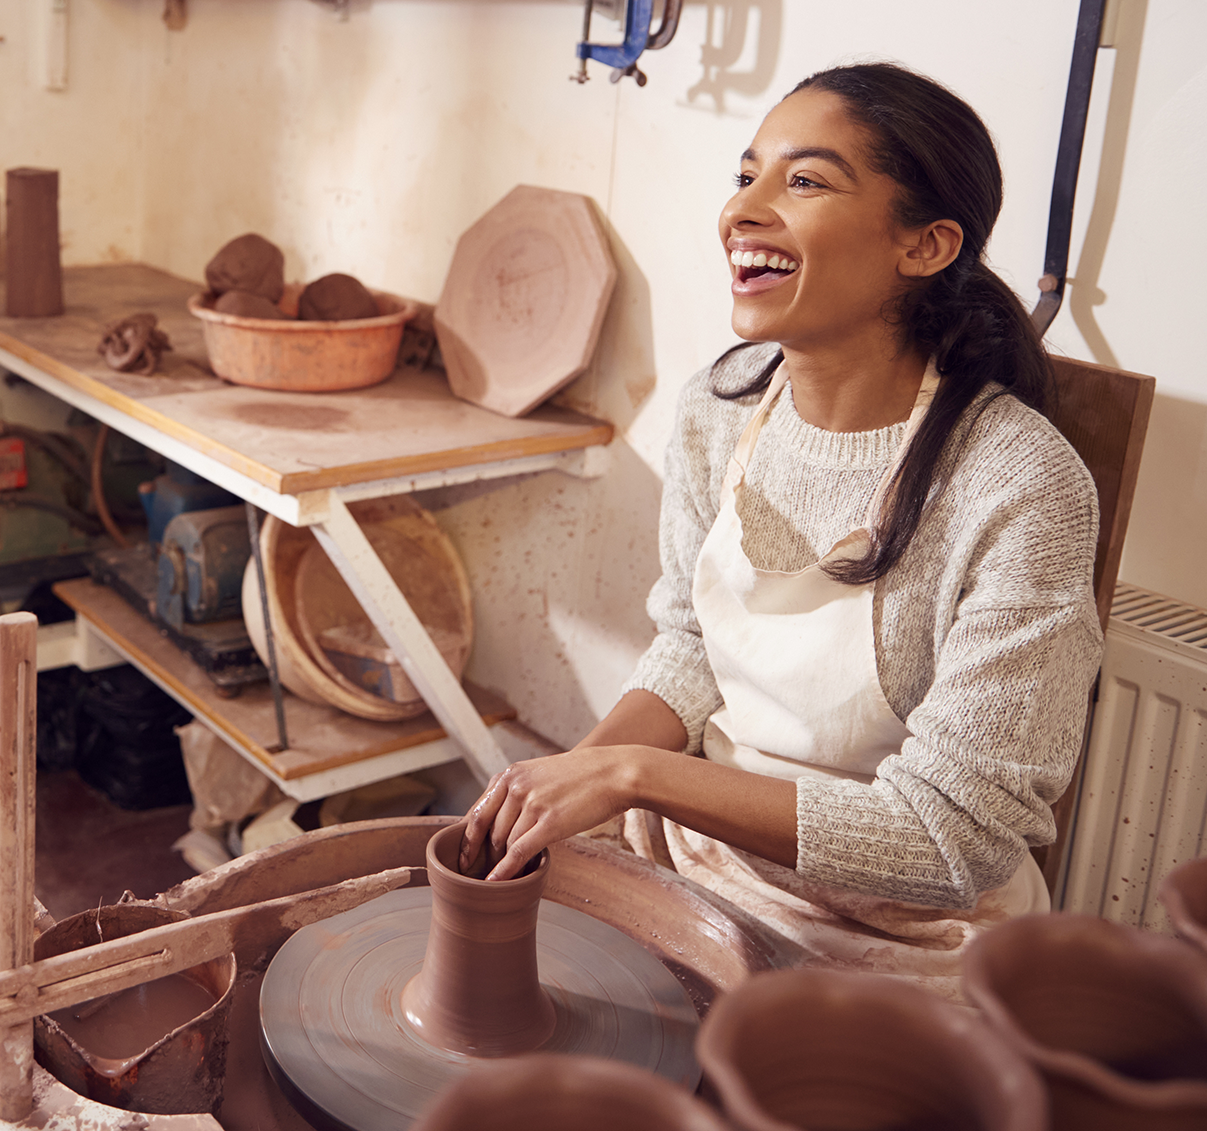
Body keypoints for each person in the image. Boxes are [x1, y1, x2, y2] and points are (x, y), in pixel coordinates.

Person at [459, 63, 1102, 993]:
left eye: (803, 182)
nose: (744, 211)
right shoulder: (721, 407)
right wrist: (573, 781)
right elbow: (689, 646)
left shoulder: (1020, 485)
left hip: (908, 935)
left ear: (924, 245)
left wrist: (638, 776)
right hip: (699, 861)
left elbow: (949, 839)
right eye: (746, 175)